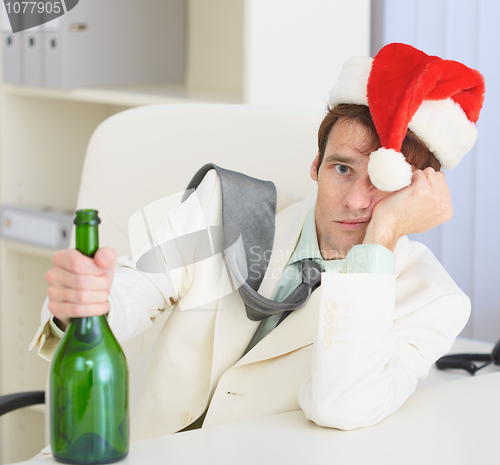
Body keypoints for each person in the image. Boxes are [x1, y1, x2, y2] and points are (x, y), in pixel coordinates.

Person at [30, 43, 485, 439]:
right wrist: (89, 301)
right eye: (342, 169)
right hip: (135, 460)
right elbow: (134, 287)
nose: (355, 201)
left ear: (418, 192)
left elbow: (343, 405)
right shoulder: (224, 209)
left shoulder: (432, 300)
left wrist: (380, 241)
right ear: (316, 165)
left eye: (384, 183)